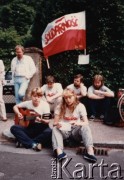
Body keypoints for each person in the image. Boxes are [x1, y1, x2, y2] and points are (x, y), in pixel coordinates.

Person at [52, 89, 97, 163]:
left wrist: (78, 123)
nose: (68, 100)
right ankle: (59, 152)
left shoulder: (80, 106)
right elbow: (55, 123)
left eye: (70, 97)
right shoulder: (60, 106)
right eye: (66, 98)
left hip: (75, 131)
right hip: (64, 131)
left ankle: (90, 152)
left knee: (85, 127)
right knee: (55, 129)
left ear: (74, 96)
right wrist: (58, 124)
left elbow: (86, 122)